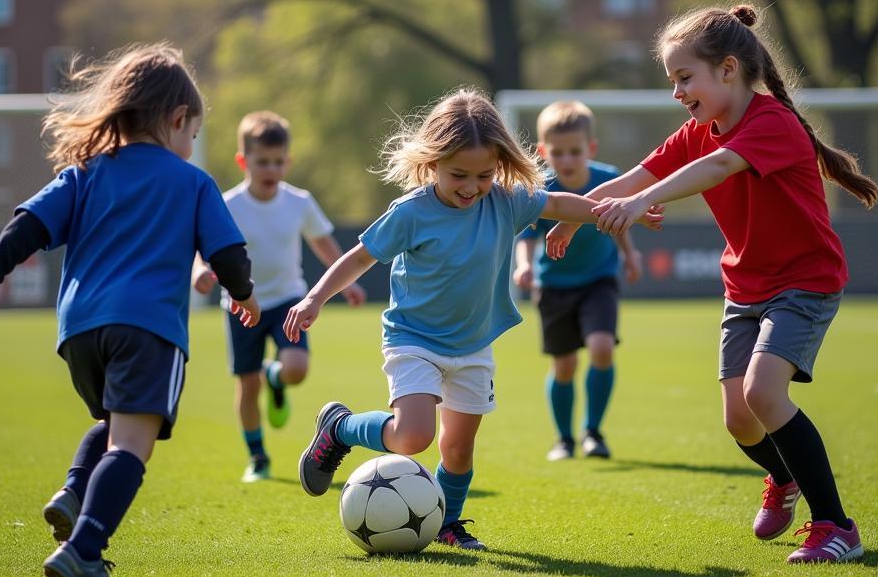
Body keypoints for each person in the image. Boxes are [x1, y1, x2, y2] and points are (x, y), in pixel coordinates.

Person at [547, 5, 878, 564]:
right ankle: (785, 478)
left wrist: (640, 202)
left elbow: (718, 168)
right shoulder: (696, 130)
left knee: (764, 393)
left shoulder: (770, 121)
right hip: (745, 288)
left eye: (684, 78)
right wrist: (577, 213)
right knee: (739, 418)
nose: (677, 92)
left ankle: (835, 525)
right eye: (672, 80)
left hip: (804, 281)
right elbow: (635, 176)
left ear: (728, 69)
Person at [0, 44, 261, 577]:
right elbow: (228, 253)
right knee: (132, 444)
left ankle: (72, 493)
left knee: (115, 425)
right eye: (191, 131)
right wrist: (245, 294)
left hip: (80, 330)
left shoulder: (85, 172)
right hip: (149, 327)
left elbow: (28, 226)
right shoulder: (192, 182)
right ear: (178, 120)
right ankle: (84, 551)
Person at [282, 87, 662, 550]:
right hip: (414, 338)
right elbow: (360, 257)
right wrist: (316, 297)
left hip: (474, 343)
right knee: (413, 436)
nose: (470, 186)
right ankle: (340, 428)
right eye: (458, 174)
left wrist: (623, 212)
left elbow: (562, 204)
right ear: (432, 161)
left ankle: (448, 522)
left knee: (458, 449)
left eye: (484, 175)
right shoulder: (411, 212)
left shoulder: (506, 201)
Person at [193, 111, 366, 483]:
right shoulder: (228, 204)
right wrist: (200, 272)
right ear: (244, 161)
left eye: (278, 161)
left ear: (287, 160)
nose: (271, 169)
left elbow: (322, 241)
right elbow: (203, 247)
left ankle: (276, 376)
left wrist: (346, 282)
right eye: (262, 162)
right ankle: (257, 457)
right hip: (241, 306)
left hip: (289, 299)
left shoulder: (299, 202)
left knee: (296, 369)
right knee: (247, 384)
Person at [513, 100, 643, 462]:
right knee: (564, 365)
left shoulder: (608, 179)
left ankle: (593, 433)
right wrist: (523, 265)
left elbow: (619, 222)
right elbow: (525, 236)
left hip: (599, 279)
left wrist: (630, 255)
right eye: (557, 152)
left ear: (591, 148)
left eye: (575, 151)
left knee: (602, 348)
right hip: (553, 285)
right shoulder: (539, 188)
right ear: (542, 152)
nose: (567, 160)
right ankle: (564, 440)